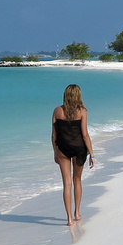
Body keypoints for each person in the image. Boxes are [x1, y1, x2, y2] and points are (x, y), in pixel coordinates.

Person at [51, 83, 94, 225]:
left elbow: (53, 136)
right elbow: (85, 134)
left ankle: (69, 218)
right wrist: (92, 155)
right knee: (77, 181)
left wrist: (55, 152)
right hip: (79, 149)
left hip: (62, 149)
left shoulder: (57, 111)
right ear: (78, 96)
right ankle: (77, 213)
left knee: (67, 184)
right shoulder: (82, 111)